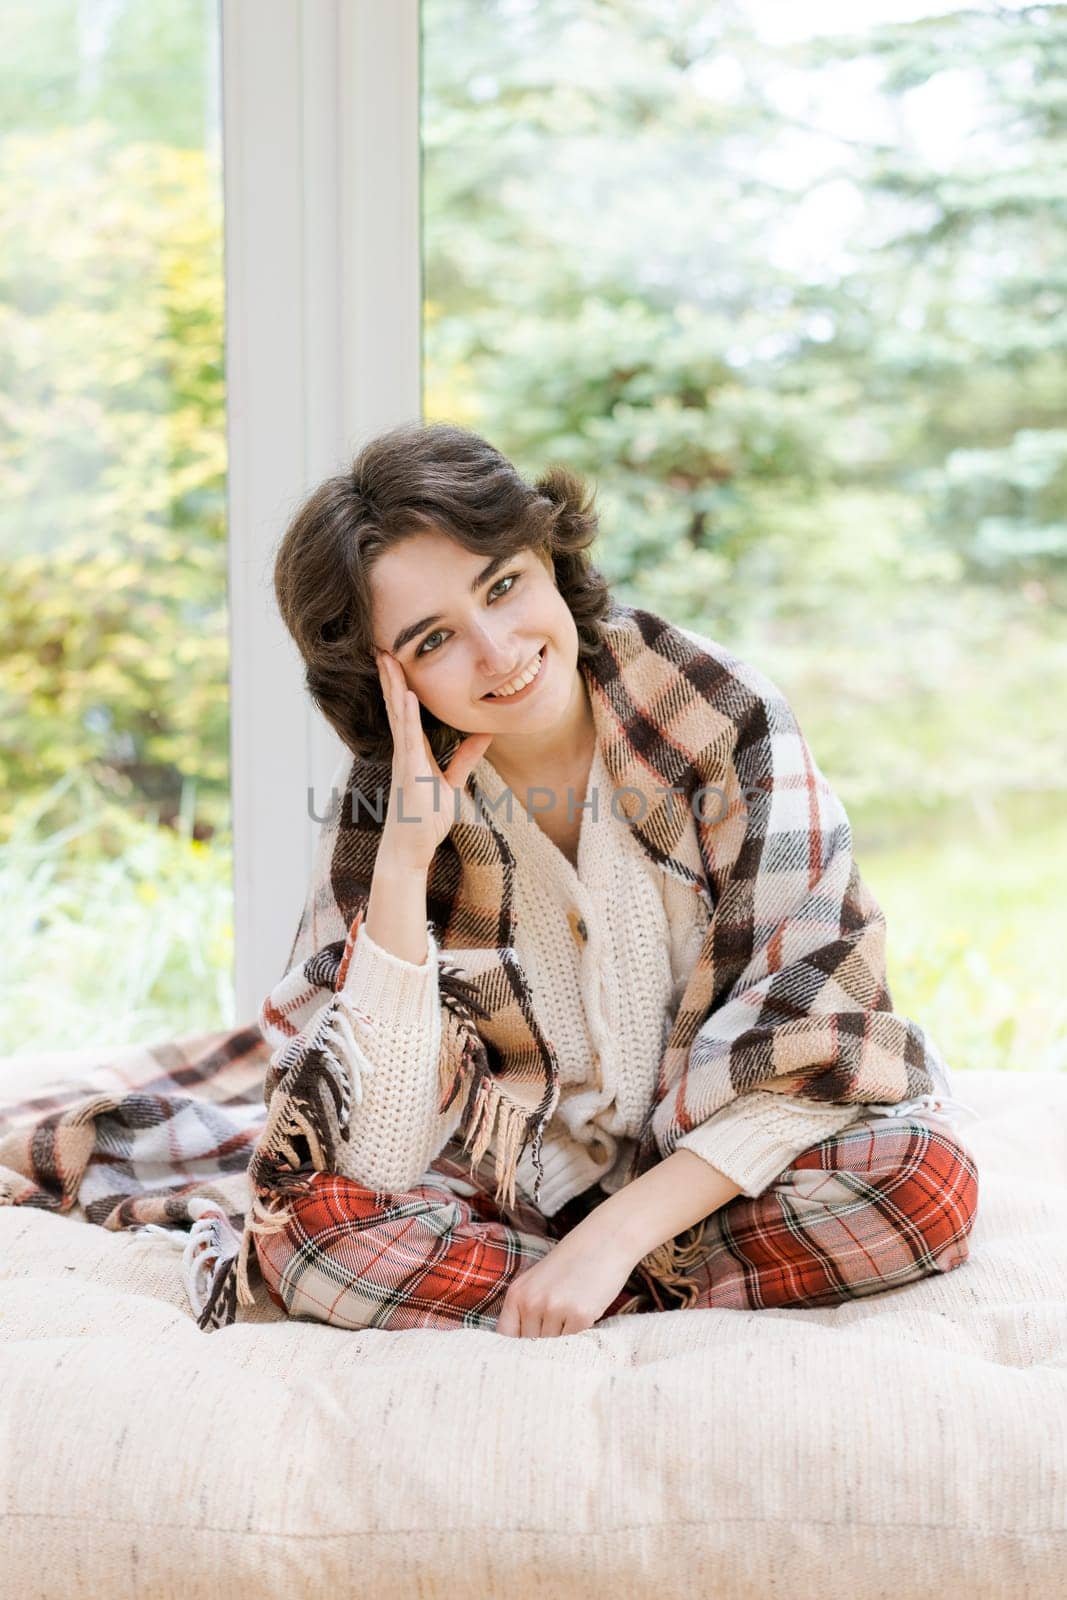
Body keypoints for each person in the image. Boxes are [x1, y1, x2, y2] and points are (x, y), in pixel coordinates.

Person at [247, 419, 980, 1340]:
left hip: (707, 1168)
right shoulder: (388, 802)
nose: (498, 651)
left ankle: (581, 1286)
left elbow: (817, 1025)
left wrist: (612, 1240)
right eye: (433, 640)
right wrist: (402, 864)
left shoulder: (717, 709)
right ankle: (613, 1289)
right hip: (512, 1189)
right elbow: (379, 1157)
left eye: (503, 585)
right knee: (310, 1237)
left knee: (922, 1180)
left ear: (546, 555)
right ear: (381, 677)